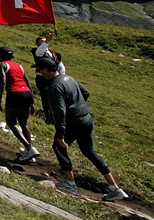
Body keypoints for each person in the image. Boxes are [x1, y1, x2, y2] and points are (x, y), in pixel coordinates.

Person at [35, 57, 128, 201]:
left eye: (40, 70)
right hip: (86, 118)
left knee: (59, 147)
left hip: (74, 122)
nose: (39, 73)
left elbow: (60, 112)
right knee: (89, 151)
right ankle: (114, 187)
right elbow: (85, 93)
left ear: (46, 70)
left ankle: (70, 183)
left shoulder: (54, 87)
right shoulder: (69, 78)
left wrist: (60, 134)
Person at [0, 46, 39, 162]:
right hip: (27, 94)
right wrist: (32, 103)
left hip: (14, 94)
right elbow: (28, 84)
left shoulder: (2, 65)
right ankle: (28, 150)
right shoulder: (19, 65)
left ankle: (29, 148)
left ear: (0, 56)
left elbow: (3, 81)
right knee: (23, 123)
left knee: (11, 122)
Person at [31, 32, 65, 124]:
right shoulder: (37, 51)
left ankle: (56, 116)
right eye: (41, 41)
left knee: (56, 97)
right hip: (43, 78)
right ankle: (49, 117)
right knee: (46, 98)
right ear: (38, 44)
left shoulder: (53, 53)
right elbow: (39, 52)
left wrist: (61, 75)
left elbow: (60, 64)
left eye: (44, 40)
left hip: (54, 78)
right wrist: (47, 41)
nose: (44, 41)